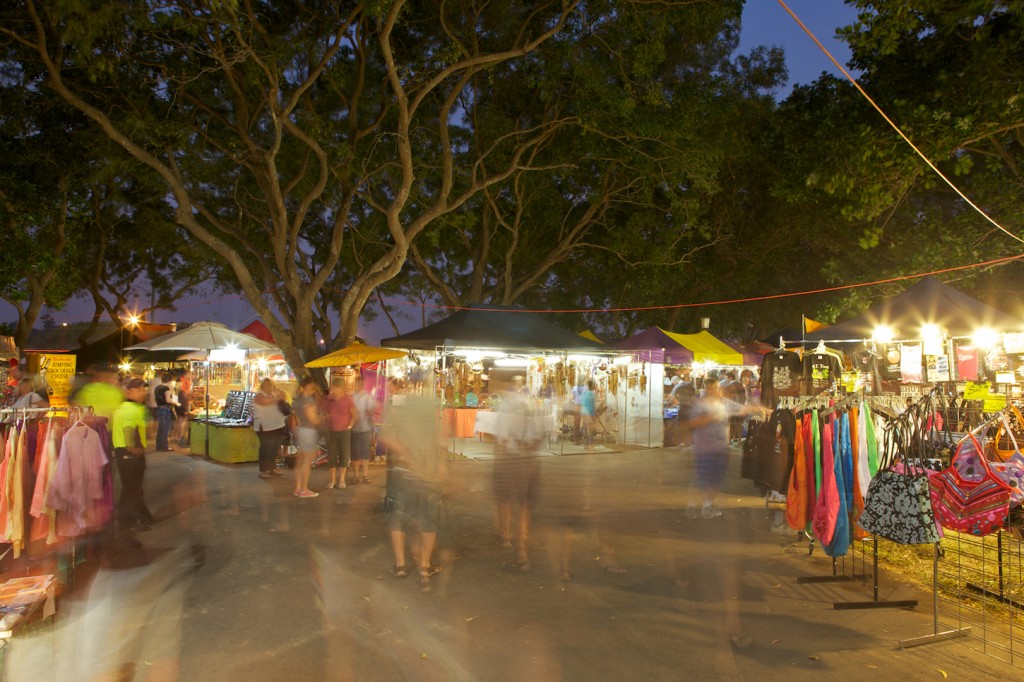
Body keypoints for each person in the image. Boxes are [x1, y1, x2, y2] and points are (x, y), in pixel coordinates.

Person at [379, 394, 444, 592]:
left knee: (398, 517)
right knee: (428, 518)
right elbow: (441, 440)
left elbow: (384, 437)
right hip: (428, 472)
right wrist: (440, 465)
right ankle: (424, 566)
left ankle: (401, 565)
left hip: (404, 472)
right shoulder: (432, 413)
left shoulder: (397, 412)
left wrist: (404, 452)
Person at [685, 378, 767, 519]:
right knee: (702, 479)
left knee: (716, 478)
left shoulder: (724, 403)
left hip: (720, 448)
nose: (720, 390)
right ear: (709, 389)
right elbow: (692, 423)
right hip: (704, 449)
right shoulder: (701, 405)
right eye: (718, 388)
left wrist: (763, 410)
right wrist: (711, 418)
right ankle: (691, 506)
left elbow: (742, 409)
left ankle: (707, 506)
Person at [112, 377, 153, 532]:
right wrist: (133, 449)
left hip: (125, 453)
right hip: (129, 454)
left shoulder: (129, 407)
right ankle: (129, 520)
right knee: (132, 488)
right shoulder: (130, 409)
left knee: (132, 488)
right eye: (139, 389)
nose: (143, 392)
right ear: (128, 391)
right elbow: (129, 430)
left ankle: (140, 515)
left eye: (144, 389)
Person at [320, 378, 356, 490]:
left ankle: (341, 480)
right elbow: (323, 411)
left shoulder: (348, 400)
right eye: (333, 387)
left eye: (335, 387)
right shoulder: (328, 399)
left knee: (344, 455)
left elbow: (354, 415)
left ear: (341, 388)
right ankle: (332, 480)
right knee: (331, 456)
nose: (333, 390)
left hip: (344, 431)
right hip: (331, 431)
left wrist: (349, 426)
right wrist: (325, 418)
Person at [291, 377, 322, 498]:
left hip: (301, 430)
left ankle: (298, 488)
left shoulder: (297, 400)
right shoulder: (308, 401)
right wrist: (322, 417)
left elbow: (297, 418)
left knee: (300, 461)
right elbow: (313, 419)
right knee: (307, 462)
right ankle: (304, 489)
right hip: (308, 431)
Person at [252, 378, 288, 479]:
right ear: (262, 386)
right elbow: (264, 402)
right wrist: (276, 396)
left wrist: (280, 396)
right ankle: (263, 470)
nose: (269, 387)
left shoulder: (273, 395)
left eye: (271, 385)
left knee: (274, 448)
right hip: (264, 427)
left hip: (277, 425)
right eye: (267, 385)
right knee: (265, 448)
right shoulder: (259, 395)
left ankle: (272, 468)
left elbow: (283, 399)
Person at [349, 376, 376, 484]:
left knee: (365, 452)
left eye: (362, 384)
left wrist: (369, 411)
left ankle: (365, 475)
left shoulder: (368, 397)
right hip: (354, 428)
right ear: (355, 384)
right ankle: (356, 475)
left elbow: (372, 410)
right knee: (355, 453)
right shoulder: (351, 397)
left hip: (365, 427)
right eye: (358, 384)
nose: (360, 386)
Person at [153, 372, 177, 452]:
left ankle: (159, 445)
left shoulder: (157, 388)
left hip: (159, 408)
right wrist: (176, 403)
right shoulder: (166, 389)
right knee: (165, 429)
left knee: (160, 428)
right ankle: (165, 446)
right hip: (165, 409)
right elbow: (168, 400)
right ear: (170, 380)